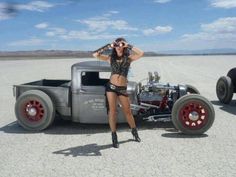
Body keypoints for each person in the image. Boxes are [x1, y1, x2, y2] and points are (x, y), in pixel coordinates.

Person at [93, 37, 144, 148]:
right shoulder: (110, 58)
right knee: (112, 111)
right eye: (117, 46)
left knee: (128, 112)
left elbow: (141, 53)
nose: (119, 48)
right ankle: (114, 136)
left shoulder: (129, 58)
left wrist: (128, 45)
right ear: (114, 47)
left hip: (122, 89)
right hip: (111, 87)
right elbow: (95, 54)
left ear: (124, 47)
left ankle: (134, 132)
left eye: (121, 45)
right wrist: (108, 45)